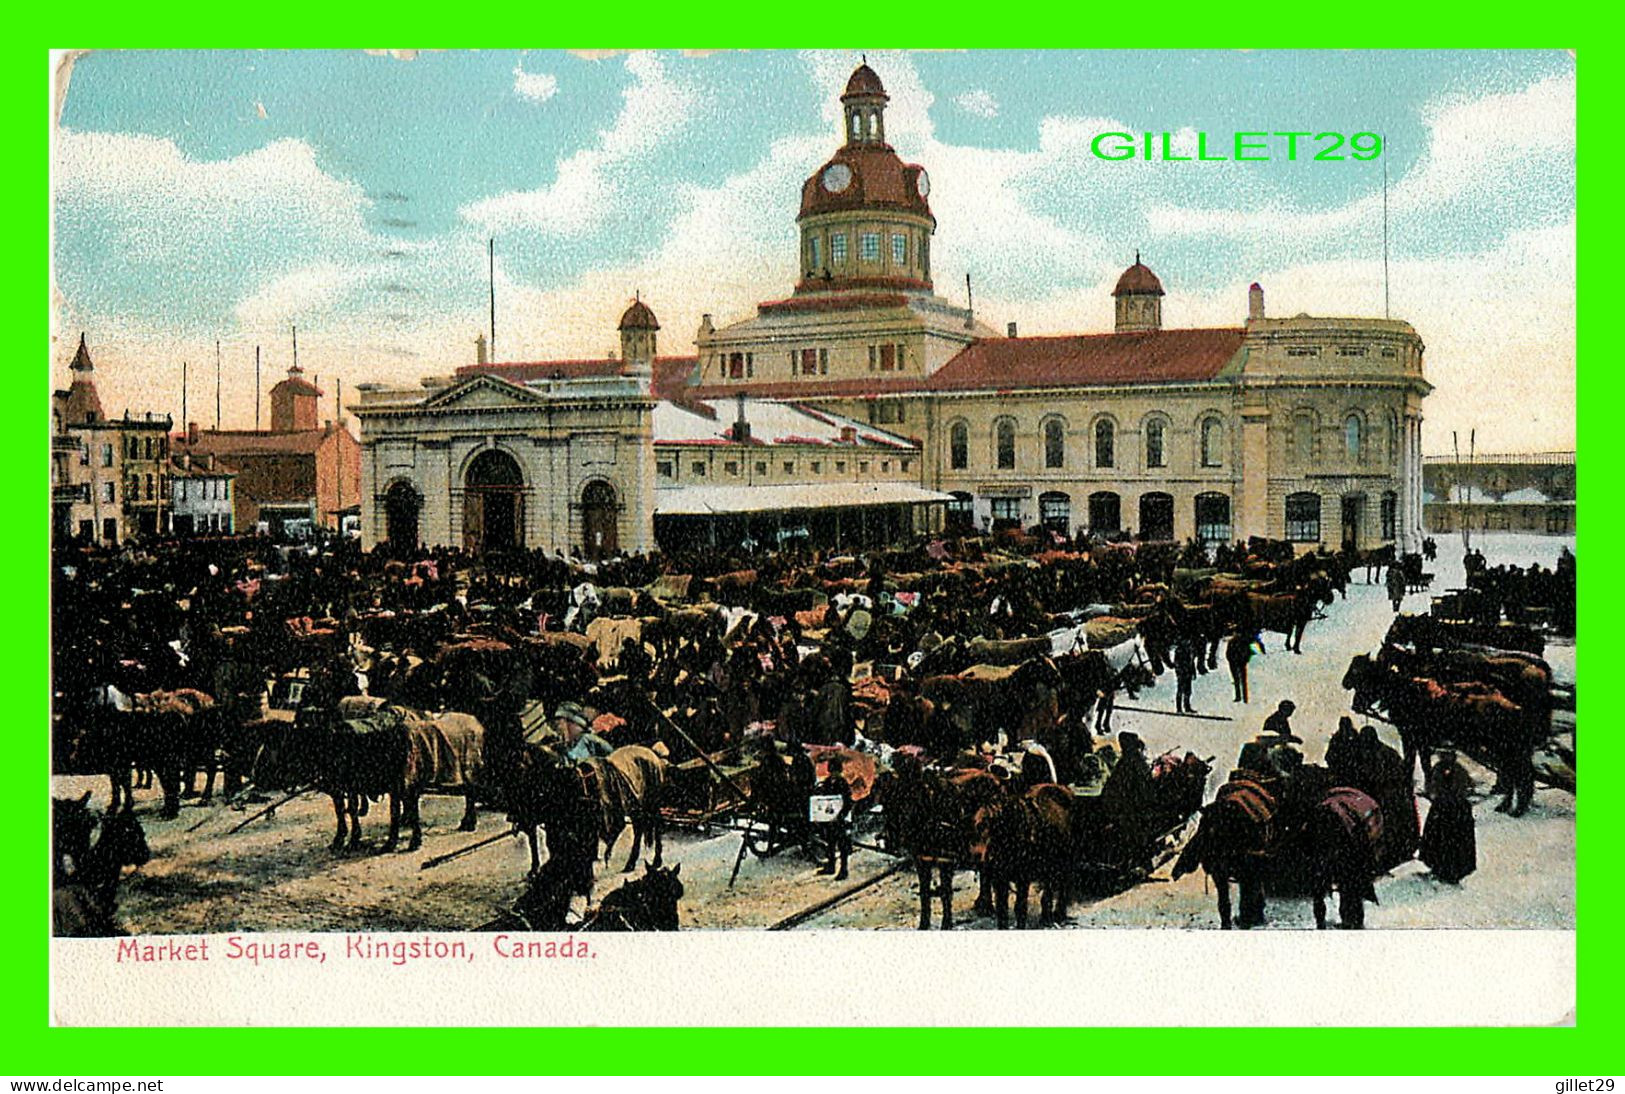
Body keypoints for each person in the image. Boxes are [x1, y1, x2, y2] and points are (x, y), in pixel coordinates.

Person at [1419, 744, 1477, 883]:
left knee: (1441, 840)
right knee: (1455, 842)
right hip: (1457, 811)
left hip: (1444, 810)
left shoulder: (1439, 769)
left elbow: (1432, 788)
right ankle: (1454, 868)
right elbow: (1469, 786)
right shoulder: (1459, 770)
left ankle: (1442, 867)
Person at [814, 754, 854, 880]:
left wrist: (841, 815)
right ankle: (831, 865)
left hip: (840, 819)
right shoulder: (827, 783)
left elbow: (848, 802)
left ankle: (844, 869)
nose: (834, 774)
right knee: (830, 842)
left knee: (842, 845)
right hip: (830, 818)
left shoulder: (842, 783)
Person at [1226, 628, 1263, 703]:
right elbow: (1250, 651)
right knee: (1241, 680)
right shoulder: (1243, 641)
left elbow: (1229, 653)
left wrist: (1242, 659)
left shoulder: (1235, 642)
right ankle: (1243, 697)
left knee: (1239, 680)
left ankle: (1240, 696)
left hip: (1237, 662)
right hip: (1238, 662)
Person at [1173, 638, 1196, 714]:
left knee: (1188, 690)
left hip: (1188, 671)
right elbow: (1176, 663)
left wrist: (1193, 672)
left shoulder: (1189, 650)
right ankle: (1179, 708)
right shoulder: (1179, 651)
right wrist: (1179, 672)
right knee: (1180, 690)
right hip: (1182, 672)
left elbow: (1191, 662)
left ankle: (1187, 706)